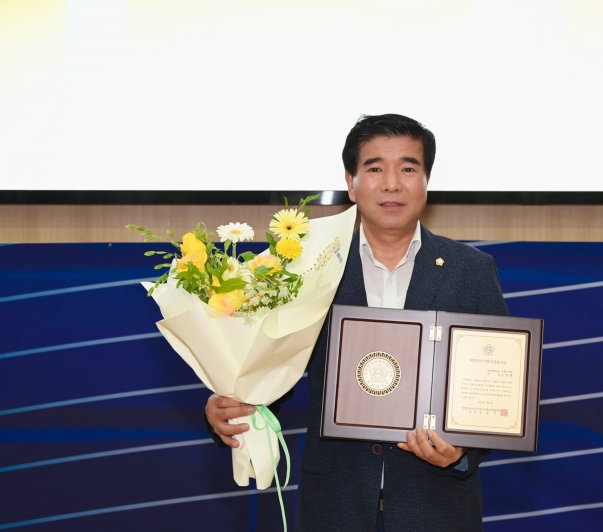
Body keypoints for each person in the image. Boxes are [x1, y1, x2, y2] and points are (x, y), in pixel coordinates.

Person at [206, 114, 508, 531]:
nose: (391, 183)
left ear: (426, 181)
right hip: (336, 503)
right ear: (351, 182)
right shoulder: (309, 267)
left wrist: (461, 453)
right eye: (374, 168)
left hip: (436, 505)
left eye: (407, 168)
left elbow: (494, 389)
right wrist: (233, 403)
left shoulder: (469, 270)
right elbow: (272, 370)